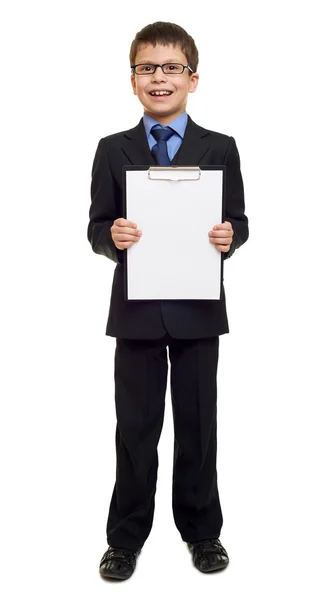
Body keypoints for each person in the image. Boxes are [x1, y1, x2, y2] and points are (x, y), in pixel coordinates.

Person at [87, 21, 249, 581]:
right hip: (134, 312)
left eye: (171, 67)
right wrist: (113, 238)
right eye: (147, 68)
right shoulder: (113, 150)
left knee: (198, 425)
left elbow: (239, 221)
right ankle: (124, 538)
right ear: (133, 80)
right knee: (135, 429)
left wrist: (231, 237)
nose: (160, 77)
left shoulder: (220, 148)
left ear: (193, 78)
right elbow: (95, 227)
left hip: (199, 309)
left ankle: (203, 532)